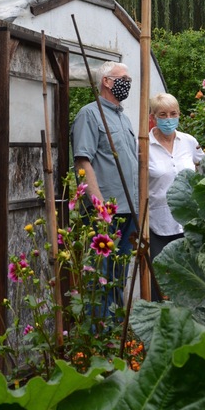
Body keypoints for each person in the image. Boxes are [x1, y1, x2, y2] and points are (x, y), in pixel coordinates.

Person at [71, 61, 138, 314]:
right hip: (105, 213)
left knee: (119, 276)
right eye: (124, 78)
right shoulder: (90, 114)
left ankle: (115, 333)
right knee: (100, 277)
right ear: (107, 81)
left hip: (128, 210)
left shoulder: (125, 119)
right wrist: (100, 206)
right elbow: (82, 161)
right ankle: (99, 332)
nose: (127, 83)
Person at [148, 92, 204, 267]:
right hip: (158, 222)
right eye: (163, 115)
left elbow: (204, 166)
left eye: (173, 114)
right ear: (153, 117)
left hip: (188, 221)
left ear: (179, 115)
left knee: (191, 272)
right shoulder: (142, 145)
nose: (169, 119)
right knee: (161, 274)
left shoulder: (188, 141)